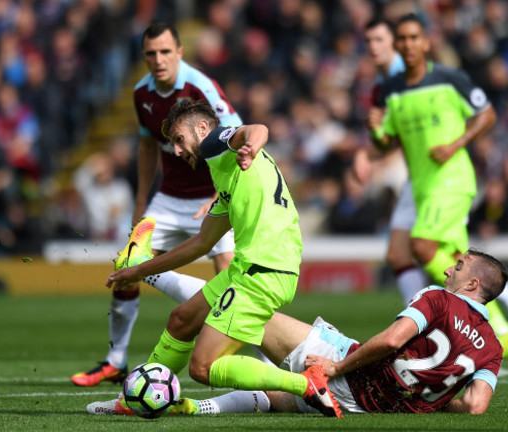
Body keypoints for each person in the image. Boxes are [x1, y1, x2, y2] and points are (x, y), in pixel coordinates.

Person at [91, 99, 342, 418]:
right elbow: (200, 243)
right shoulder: (227, 179)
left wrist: (250, 145)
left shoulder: (215, 143)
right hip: (249, 268)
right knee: (181, 320)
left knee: (203, 367)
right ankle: (135, 401)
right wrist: (139, 270)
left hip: (262, 272)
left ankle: (307, 385)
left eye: (179, 140)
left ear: (202, 128)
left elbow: (257, 129)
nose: (178, 152)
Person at [90, 248, 508, 416]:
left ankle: (147, 267)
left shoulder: (438, 298)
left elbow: (393, 340)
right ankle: (194, 410)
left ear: (472, 285)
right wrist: (416, 396)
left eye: (460, 266)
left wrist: (336, 364)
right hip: (362, 408)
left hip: (340, 370)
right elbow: (475, 405)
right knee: (271, 399)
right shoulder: (492, 346)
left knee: (241, 304)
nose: (450, 267)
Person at [71, 22, 242, 386]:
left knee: (231, 277)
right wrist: (140, 202)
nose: (158, 59)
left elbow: (235, 137)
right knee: (127, 261)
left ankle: (264, 362)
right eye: (151, 53)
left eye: (165, 51)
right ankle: (116, 360)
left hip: (210, 197)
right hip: (168, 200)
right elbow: (148, 146)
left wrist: (219, 194)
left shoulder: (202, 87)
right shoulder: (140, 94)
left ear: (179, 52)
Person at [368, 13, 508, 357]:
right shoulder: (391, 91)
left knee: (423, 246)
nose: (409, 44)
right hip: (423, 187)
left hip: (453, 179)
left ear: (426, 42)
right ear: (398, 46)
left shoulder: (449, 79)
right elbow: (387, 143)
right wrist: (375, 130)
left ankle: (498, 329)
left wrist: (455, 144)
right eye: (402, 39)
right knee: (457, 260)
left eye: (415, 37)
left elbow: (486, 113)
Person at [354, 17, 428, 305]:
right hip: (415, 176)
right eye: (369, 41)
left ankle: (504, 308)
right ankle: (420, 321)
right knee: (400, 253)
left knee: (435, 251)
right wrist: (370, 147)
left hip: (434, 174)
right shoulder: (381, 87)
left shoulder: (411, 76)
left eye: (379, 40)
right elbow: (389, 139)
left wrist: (371, 151)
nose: (373, 47)